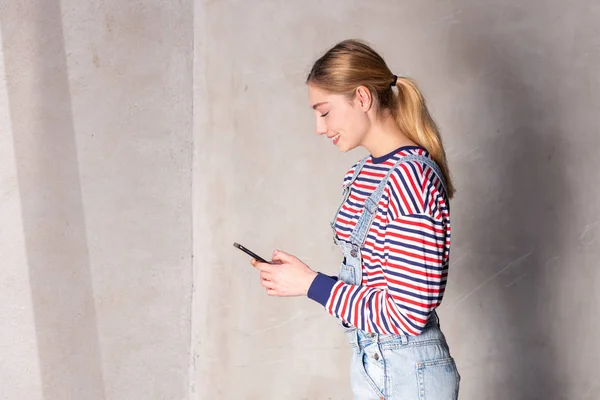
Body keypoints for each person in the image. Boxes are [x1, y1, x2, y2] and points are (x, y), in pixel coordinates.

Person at [251, 39, 460, 399]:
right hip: (375, 362)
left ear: (362, 98)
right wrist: (304, 279)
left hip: (407, 373)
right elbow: (379, 287)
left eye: (324, 111)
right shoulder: (362, 173)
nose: (318, 127)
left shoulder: (409, 179)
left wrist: (312, 284)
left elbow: (407, 314)